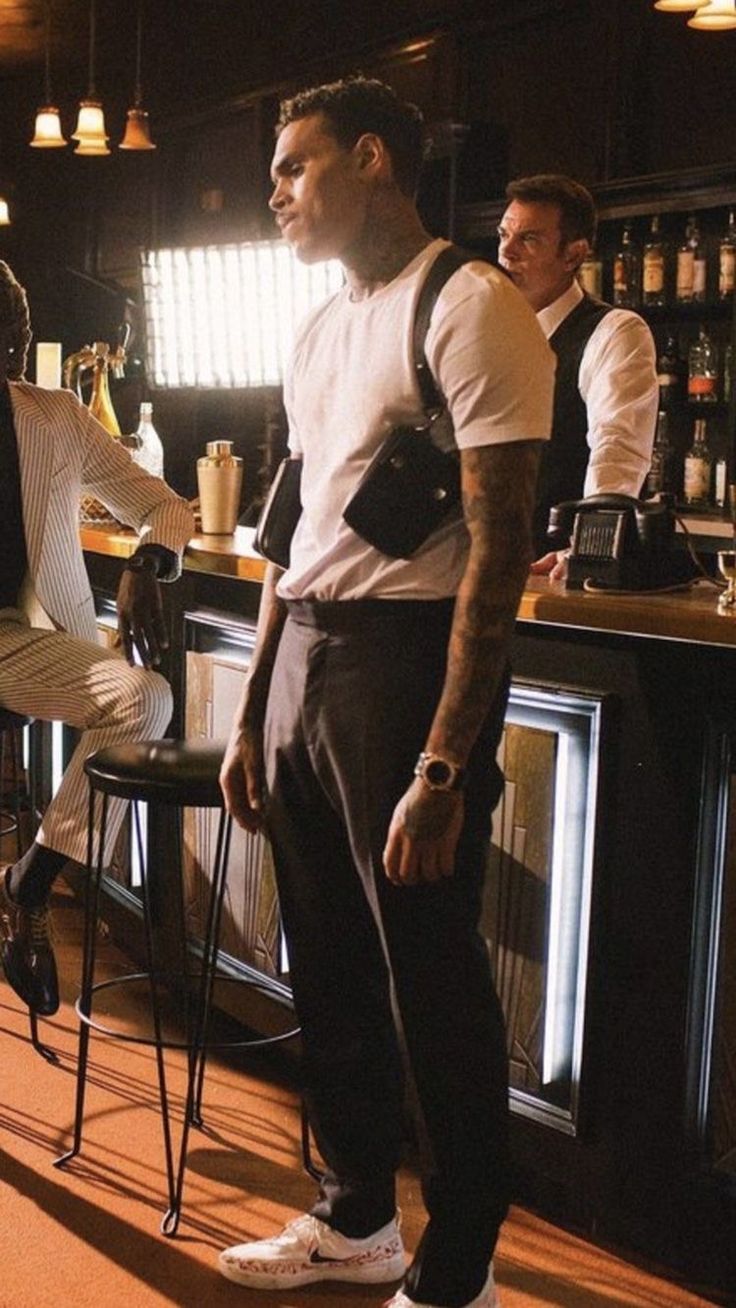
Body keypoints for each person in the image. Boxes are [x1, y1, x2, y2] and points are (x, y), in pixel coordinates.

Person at [218, 77, 554, 1308]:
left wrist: (445, 765)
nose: (276, 193)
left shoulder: (468, 306)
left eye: (295, 167)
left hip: (407, 667)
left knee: (430, 973)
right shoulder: (317, 325)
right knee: (332, 968)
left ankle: (457, 1260)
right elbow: (294, 530)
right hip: (308, 654)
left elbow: (500, 551)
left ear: (370, 161)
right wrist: (257, 704)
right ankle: (356, 1215)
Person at [0, 260, 194, 1018]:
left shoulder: (53, 416)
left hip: (21, 640)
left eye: (17, 328)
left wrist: (148, 562)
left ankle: (31, 883)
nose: (13, 345)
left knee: (144, 700)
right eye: (1, 330)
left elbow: (163, 505)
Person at [497, 173, 658, 573]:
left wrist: (587, 549)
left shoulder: (614, 331)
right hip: (467, 577)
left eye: (528, 239)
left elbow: (617, 444)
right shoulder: (487, 333)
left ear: (574, 254)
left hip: (548, 576)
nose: (506, 253)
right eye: (503, 235)